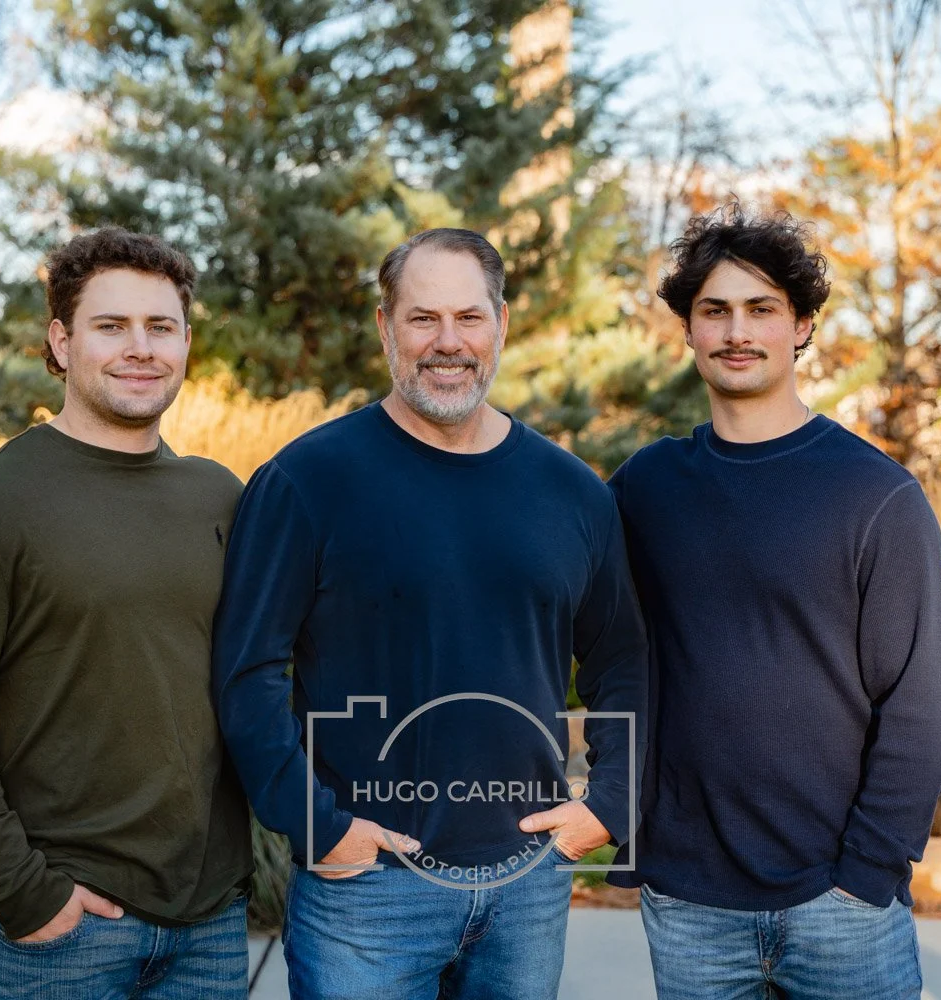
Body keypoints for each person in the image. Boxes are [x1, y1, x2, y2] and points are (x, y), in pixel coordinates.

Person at [212, 228, 647, 1000]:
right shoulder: (306, 481)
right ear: (386, 328)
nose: (448, 343)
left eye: (469, 318)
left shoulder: (572, 492)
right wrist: (318, 826)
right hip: (368, 887)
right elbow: (246, 672)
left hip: (527, 887)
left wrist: (609, 803)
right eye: (422, 319)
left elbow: (623, 663)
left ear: (501, 325)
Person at [608, 204, 941, 999]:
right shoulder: (647, 487)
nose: (738, 331)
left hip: (840, 907)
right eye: (715, 311)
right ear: (690, 330)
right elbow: (579, 629)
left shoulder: (875, 496)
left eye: (761, 309)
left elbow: (926, 707)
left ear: (801, 325)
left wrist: (867, 873)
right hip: (689, 899)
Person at [0, 227, 253, 1000]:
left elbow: (268, 670)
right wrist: (26, 896)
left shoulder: (219, 495)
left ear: (187, 342)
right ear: (61, 342)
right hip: (63, 933)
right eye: (110, 326)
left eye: (160, 327)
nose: (140, 348)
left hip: (210, 925)